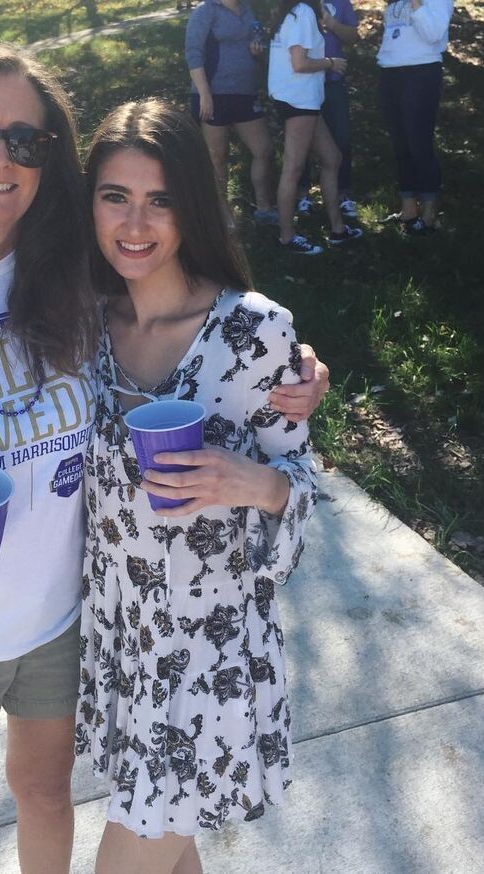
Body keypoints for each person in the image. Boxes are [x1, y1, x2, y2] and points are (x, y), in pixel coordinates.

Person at [0, 43, 328, 874]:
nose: (0, 160)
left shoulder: (167, 313)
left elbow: (288, 471)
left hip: (153, 649)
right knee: (4, 842)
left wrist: (278, 425)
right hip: (58, 640)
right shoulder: (21, 309)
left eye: (26, 142)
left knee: (98, 835)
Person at [76, 98, 317, 874]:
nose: (134, 223)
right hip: (126, 643)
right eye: (115, 196)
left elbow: (299, 489)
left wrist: (254, 483)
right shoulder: (84, 327)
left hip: (209, 659)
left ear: (193, 207)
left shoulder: (254, 332)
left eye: (161, 200)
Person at [268, 0, 362, 253]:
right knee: (293, 168)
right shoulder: (303, 13)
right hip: (298, 100)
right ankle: (287, 237)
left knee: (332, 158)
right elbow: (299, 63)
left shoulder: (290, 12)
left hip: (304, 99)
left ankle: (338, 230)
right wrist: (331, 63)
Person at [185, 0, 278, 223]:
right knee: (218, 156)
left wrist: (257, 52)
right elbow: (193, 52)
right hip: (214, 95)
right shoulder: (206, 10)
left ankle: (264, 208)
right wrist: (204, 93)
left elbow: (255, 44)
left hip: (244, 93)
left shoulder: (246, 8)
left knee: (263, 149)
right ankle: (223, 216)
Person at [377, 0, 453, 233]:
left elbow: (433, 33)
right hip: (390, 71)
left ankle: (429, 214)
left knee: (419, 143)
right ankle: (408, 209)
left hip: (421, 71)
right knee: (400, 144)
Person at [295, 0, 360, 218]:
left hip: (333, 82)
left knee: (342, 138)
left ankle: (343, 194)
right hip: (304, 81)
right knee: (302, 139)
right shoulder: (299, 3)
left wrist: (332, 23)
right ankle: (303, 195)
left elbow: (353, 37)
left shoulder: (341, 3)